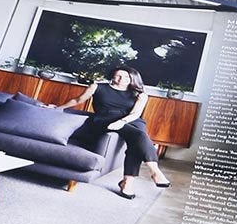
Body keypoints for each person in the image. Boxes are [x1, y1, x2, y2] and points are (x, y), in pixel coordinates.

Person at [63, 67, 171, 197]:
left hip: (131, 120)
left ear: (133, 79)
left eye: (127, 77)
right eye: (118, 76)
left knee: (136, 141)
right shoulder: (97, 87)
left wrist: (121, 122)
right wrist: (59, 107)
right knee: (140, 135)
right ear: (112, 75)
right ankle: (155, 172)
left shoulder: (139, 94)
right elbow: (77, 100)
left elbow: (135, 113)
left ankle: (127, 183)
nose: (122, 79)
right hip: (105, 119)